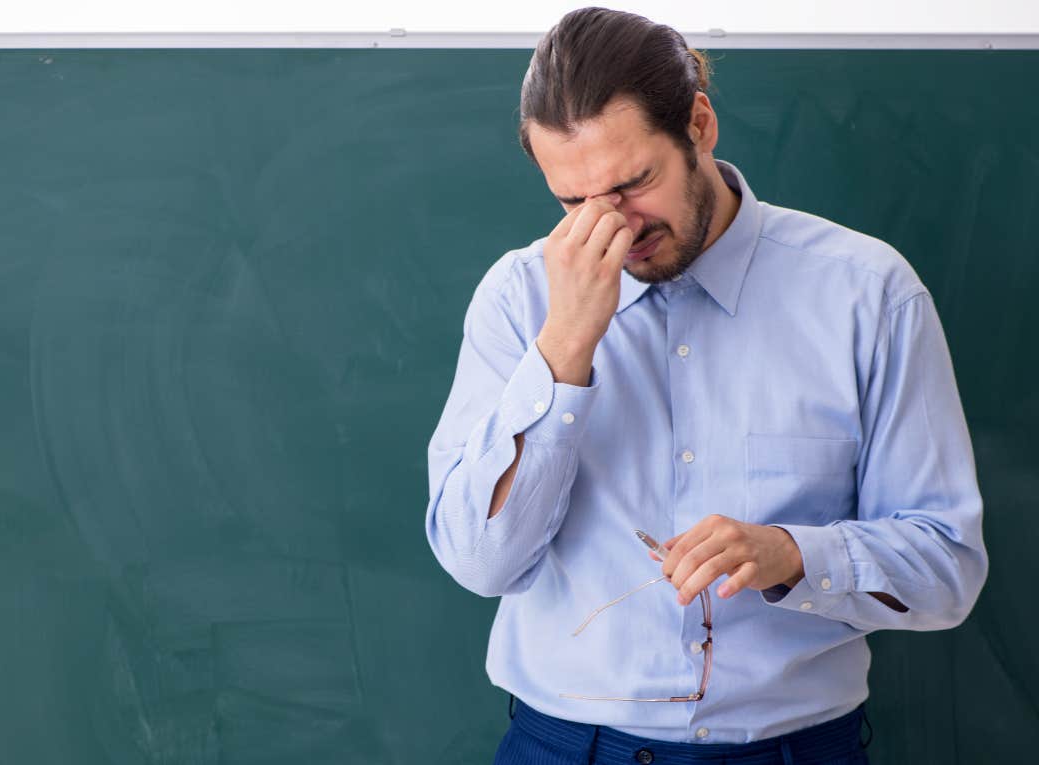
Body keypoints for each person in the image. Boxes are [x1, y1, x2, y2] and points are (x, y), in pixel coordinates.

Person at [423, 7, 988, 764]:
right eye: (573, 201)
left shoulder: (868, 295)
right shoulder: (517, 299)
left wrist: (793, 554)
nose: (611, 225)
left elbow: (947, 567)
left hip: (792, 749)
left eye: (633, 182)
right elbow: (480, 562)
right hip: (563, 745)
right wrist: (564, 349)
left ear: (699, 123)